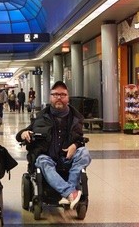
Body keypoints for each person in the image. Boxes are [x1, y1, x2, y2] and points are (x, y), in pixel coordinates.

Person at [16, 81, 91, 209]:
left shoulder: (76, 118)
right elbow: (20, 135)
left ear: (68, 97)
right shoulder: (41, 117)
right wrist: (24, 134)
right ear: (50, 97)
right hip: (47, 157)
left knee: (84, 153)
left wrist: (75, 145)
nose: (59, 97)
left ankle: (70, 192)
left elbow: (79, 139)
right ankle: (70, 193)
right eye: (55, 94)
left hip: (67, 158)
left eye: (63, 94)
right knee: (42, 161)